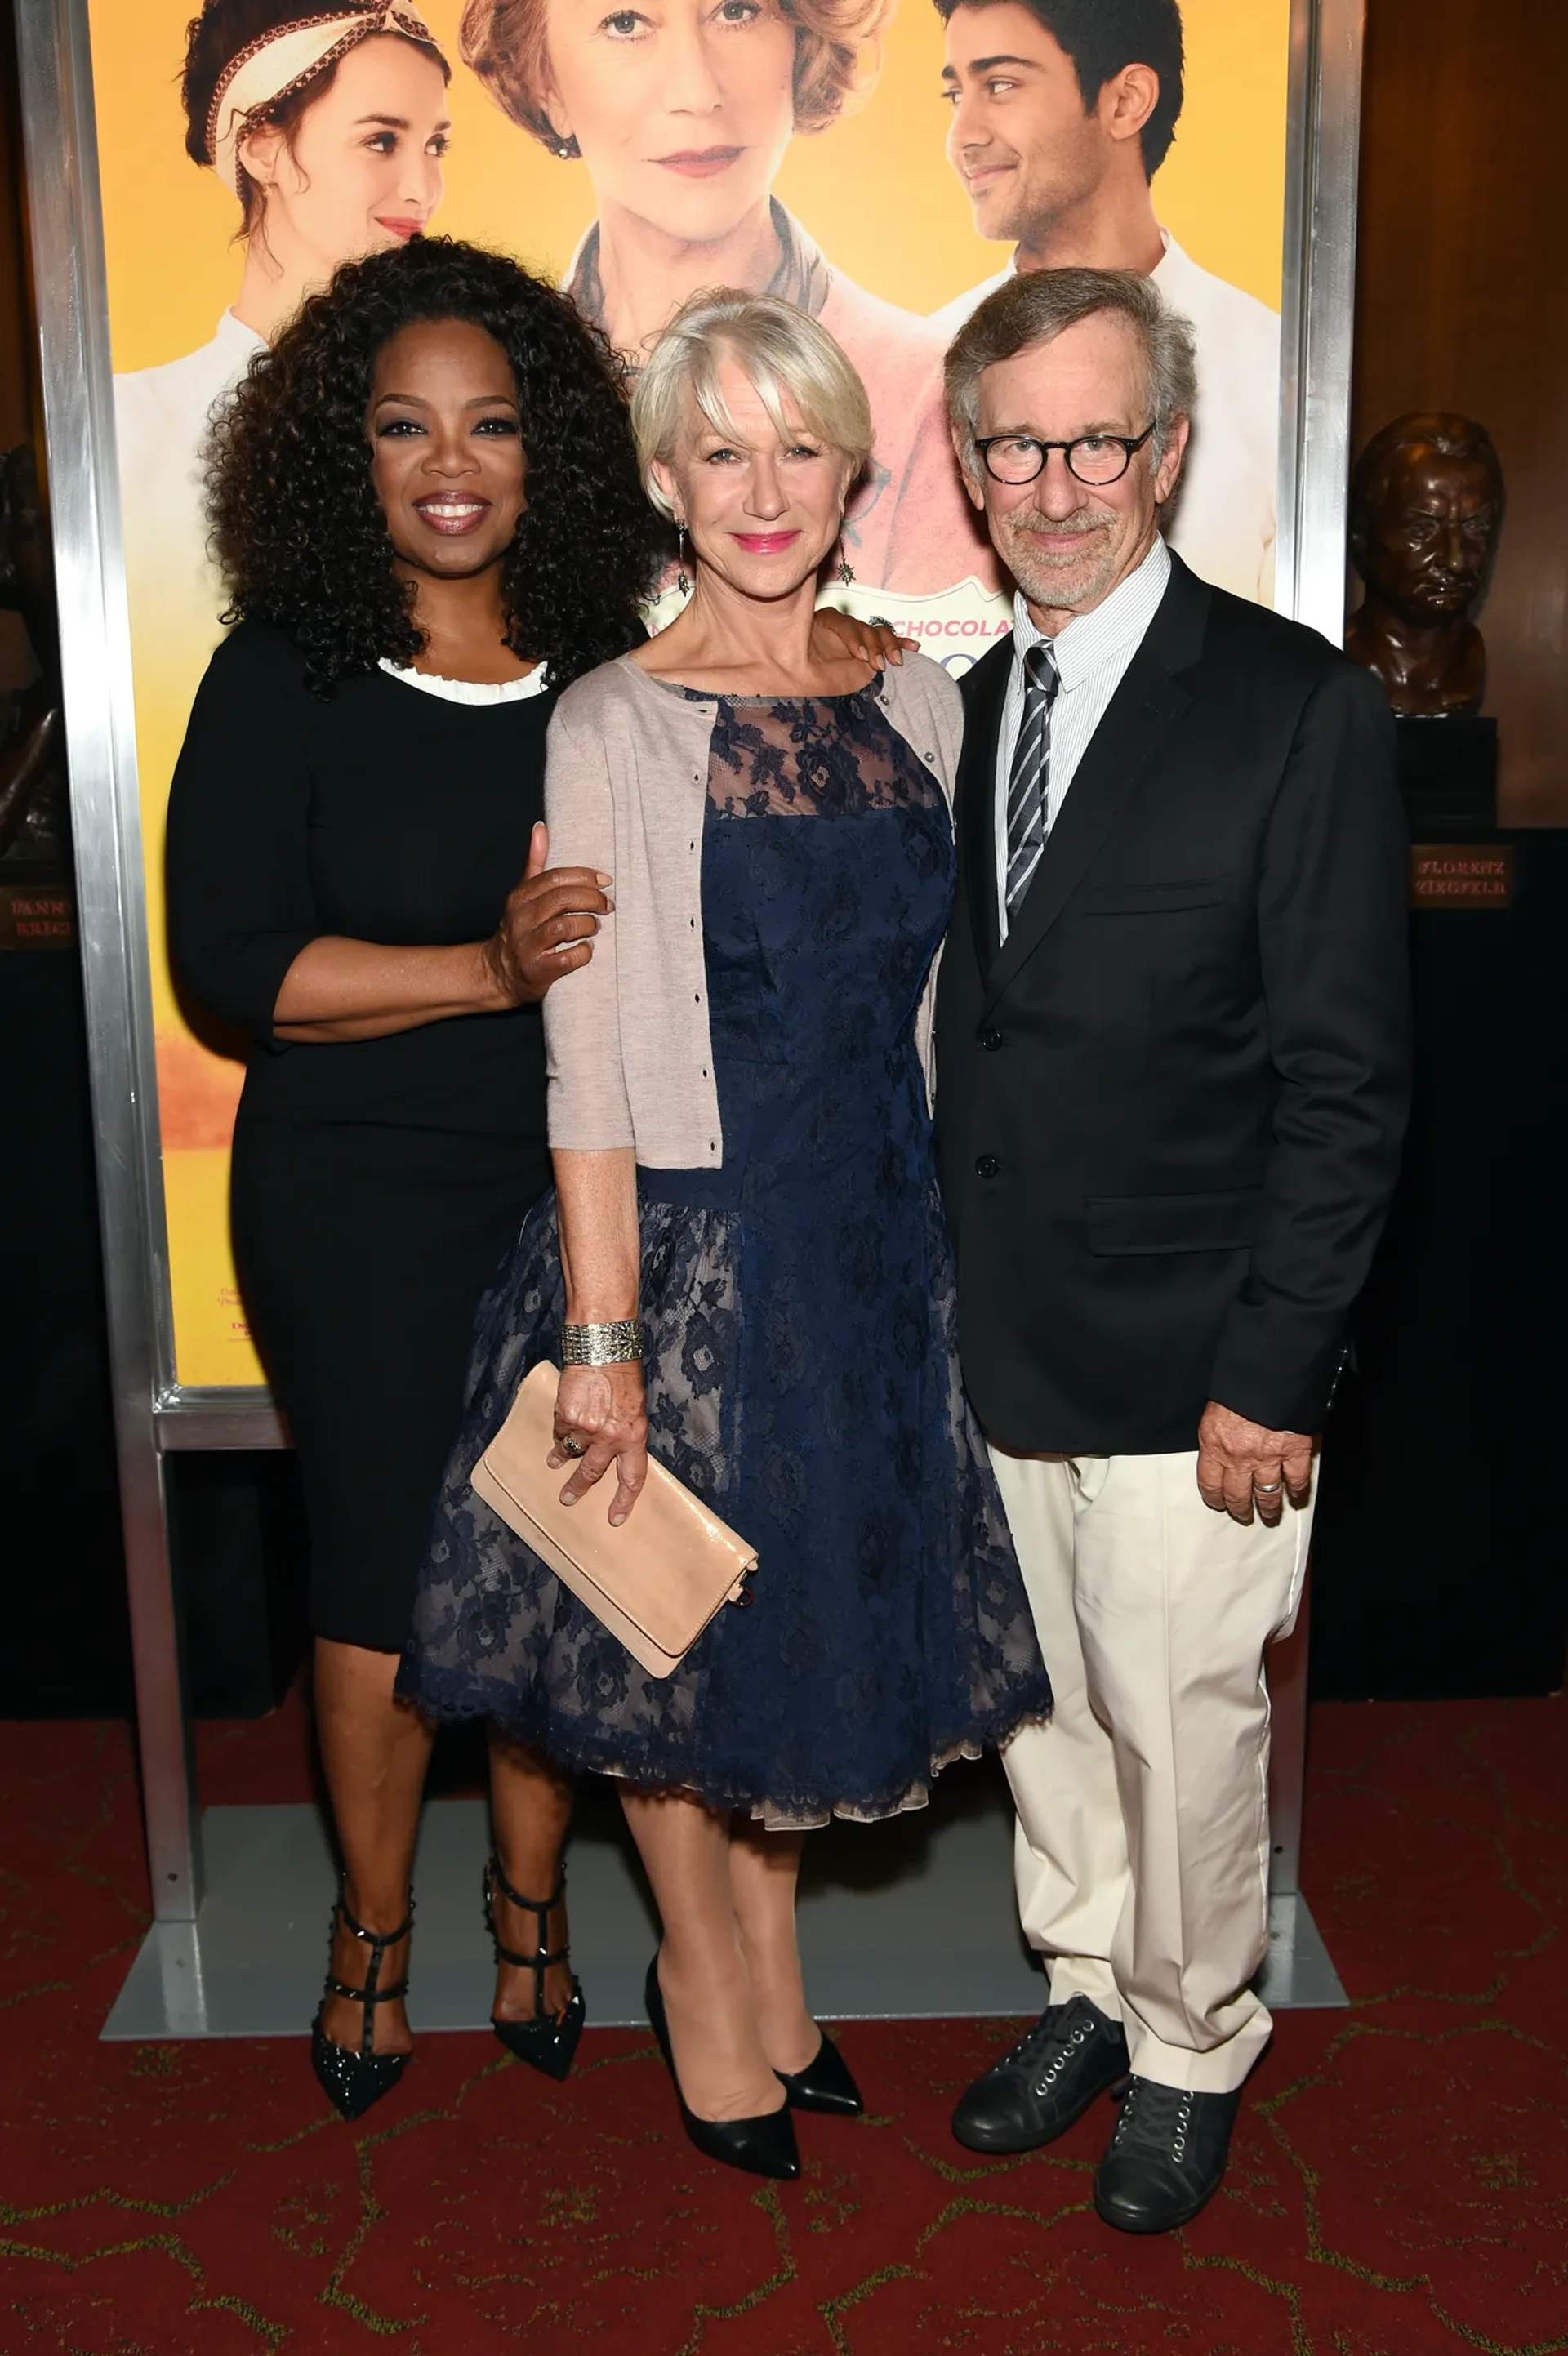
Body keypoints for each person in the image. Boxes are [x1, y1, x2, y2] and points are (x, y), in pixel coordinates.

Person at [396, 289, 1053, 2179]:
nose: (760, 489)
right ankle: (703, 1972)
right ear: (668, 482)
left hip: (870, 1253)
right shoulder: (611, 718)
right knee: (669, 1642)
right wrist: (602, 1339)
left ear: (851, 466)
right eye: (718, 451)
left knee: (795, 1640)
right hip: (687, 1249)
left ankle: (772, 1964)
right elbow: (584, 1060)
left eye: (797, 445)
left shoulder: (920, 690)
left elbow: (943, 1021)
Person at [163, 236, 662, 2122]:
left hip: (570, 1182)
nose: (450, 462)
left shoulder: (613, 679)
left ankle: (528, 1905)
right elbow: (239, 977)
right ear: (341, 456)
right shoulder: (278, 677)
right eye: (401, 426)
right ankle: (372, 1936)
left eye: (493, 424)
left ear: (550, 458)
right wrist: (484, 969)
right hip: (350, 1195)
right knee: (376, 1572)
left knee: (552, 1560)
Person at [933, 268, 1410, 2232]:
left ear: (1172, 452)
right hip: (996, 1332)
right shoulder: (962, 708)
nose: (1056, 483)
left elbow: (1351, 1083)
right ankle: (1086, 1982)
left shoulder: (1298, 707)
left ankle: (1194, 2034)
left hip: (1198, 1359)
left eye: (1096, 437)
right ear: (970, 468)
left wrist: (1271, 1371)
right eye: (1016, 442)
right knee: (1041, 1712)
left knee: (1184, 1723)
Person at [114, 1, 457, 1150]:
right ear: (263, 146)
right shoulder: (130, 436)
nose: (419, 180)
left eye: (436, 143)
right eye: (380, 139)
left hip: (463, 1010)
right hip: (228, 1019)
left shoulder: (465, 448)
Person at [456, 0, 994, 599]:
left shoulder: (938, 398)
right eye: (625, 23)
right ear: (542, 80)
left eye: (737, 11)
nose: (696, 89)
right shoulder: (469, 398)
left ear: (803, 43)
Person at [928, 0, 1280, 603]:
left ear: (1125, 101)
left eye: (1002, 85)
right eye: (957, 95)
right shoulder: (921, 363)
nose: (964, 137)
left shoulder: (1275, 375)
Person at [1345, 412, 1503, 715]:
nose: (1456, 561)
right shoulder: (1332, 668)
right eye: (1422, 530)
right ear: (1363, 534)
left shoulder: (1467, 666)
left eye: (1475, 527)